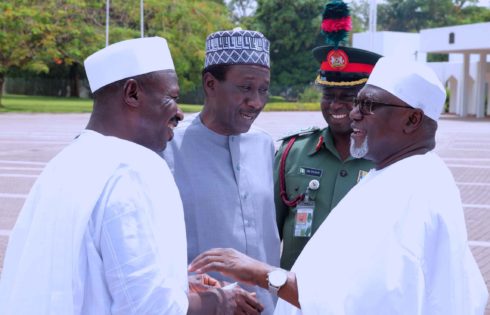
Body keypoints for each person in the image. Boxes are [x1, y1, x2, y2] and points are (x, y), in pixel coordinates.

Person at [189, 56, 489, 314]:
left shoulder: (414, 191)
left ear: (411, 119)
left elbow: (357, 303)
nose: (354, 113)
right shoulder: (396, 174)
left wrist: (260, 273)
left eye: (368, 104)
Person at [0, 37, 263, 315]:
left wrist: (177, 285)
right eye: (171, 98)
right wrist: (221, 301)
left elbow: (88, 275)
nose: (179, 113)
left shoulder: (65, 161)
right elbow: (151, 309)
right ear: (132, 94)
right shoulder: (134, 169)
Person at [162, 28, 280, 314]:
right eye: (245, 88)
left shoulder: (264, 145)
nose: (256, 102)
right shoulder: (168, 146)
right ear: (210, 84)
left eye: (263, 89)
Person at [275, 0, 381, 269]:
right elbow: (271, 231)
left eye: (349, 97)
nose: (336, 105)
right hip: (295, 299)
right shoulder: (292, 152)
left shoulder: (385, 159)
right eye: (329, 95)